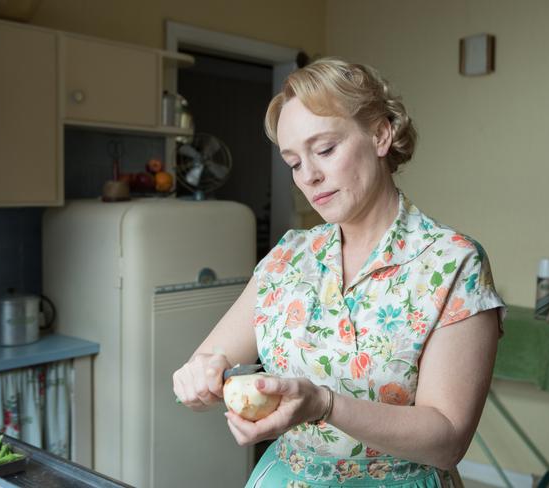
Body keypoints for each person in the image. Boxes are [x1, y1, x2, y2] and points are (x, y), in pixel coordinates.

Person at [173, 57, 506, 488]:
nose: (308, 176)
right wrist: (199, 375)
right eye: (293, 162)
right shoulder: (288, 258)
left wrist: (324, 404)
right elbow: (208, 364)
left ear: (381, 134)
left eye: (325, 149)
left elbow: (448, 440)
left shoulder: (452, 264)